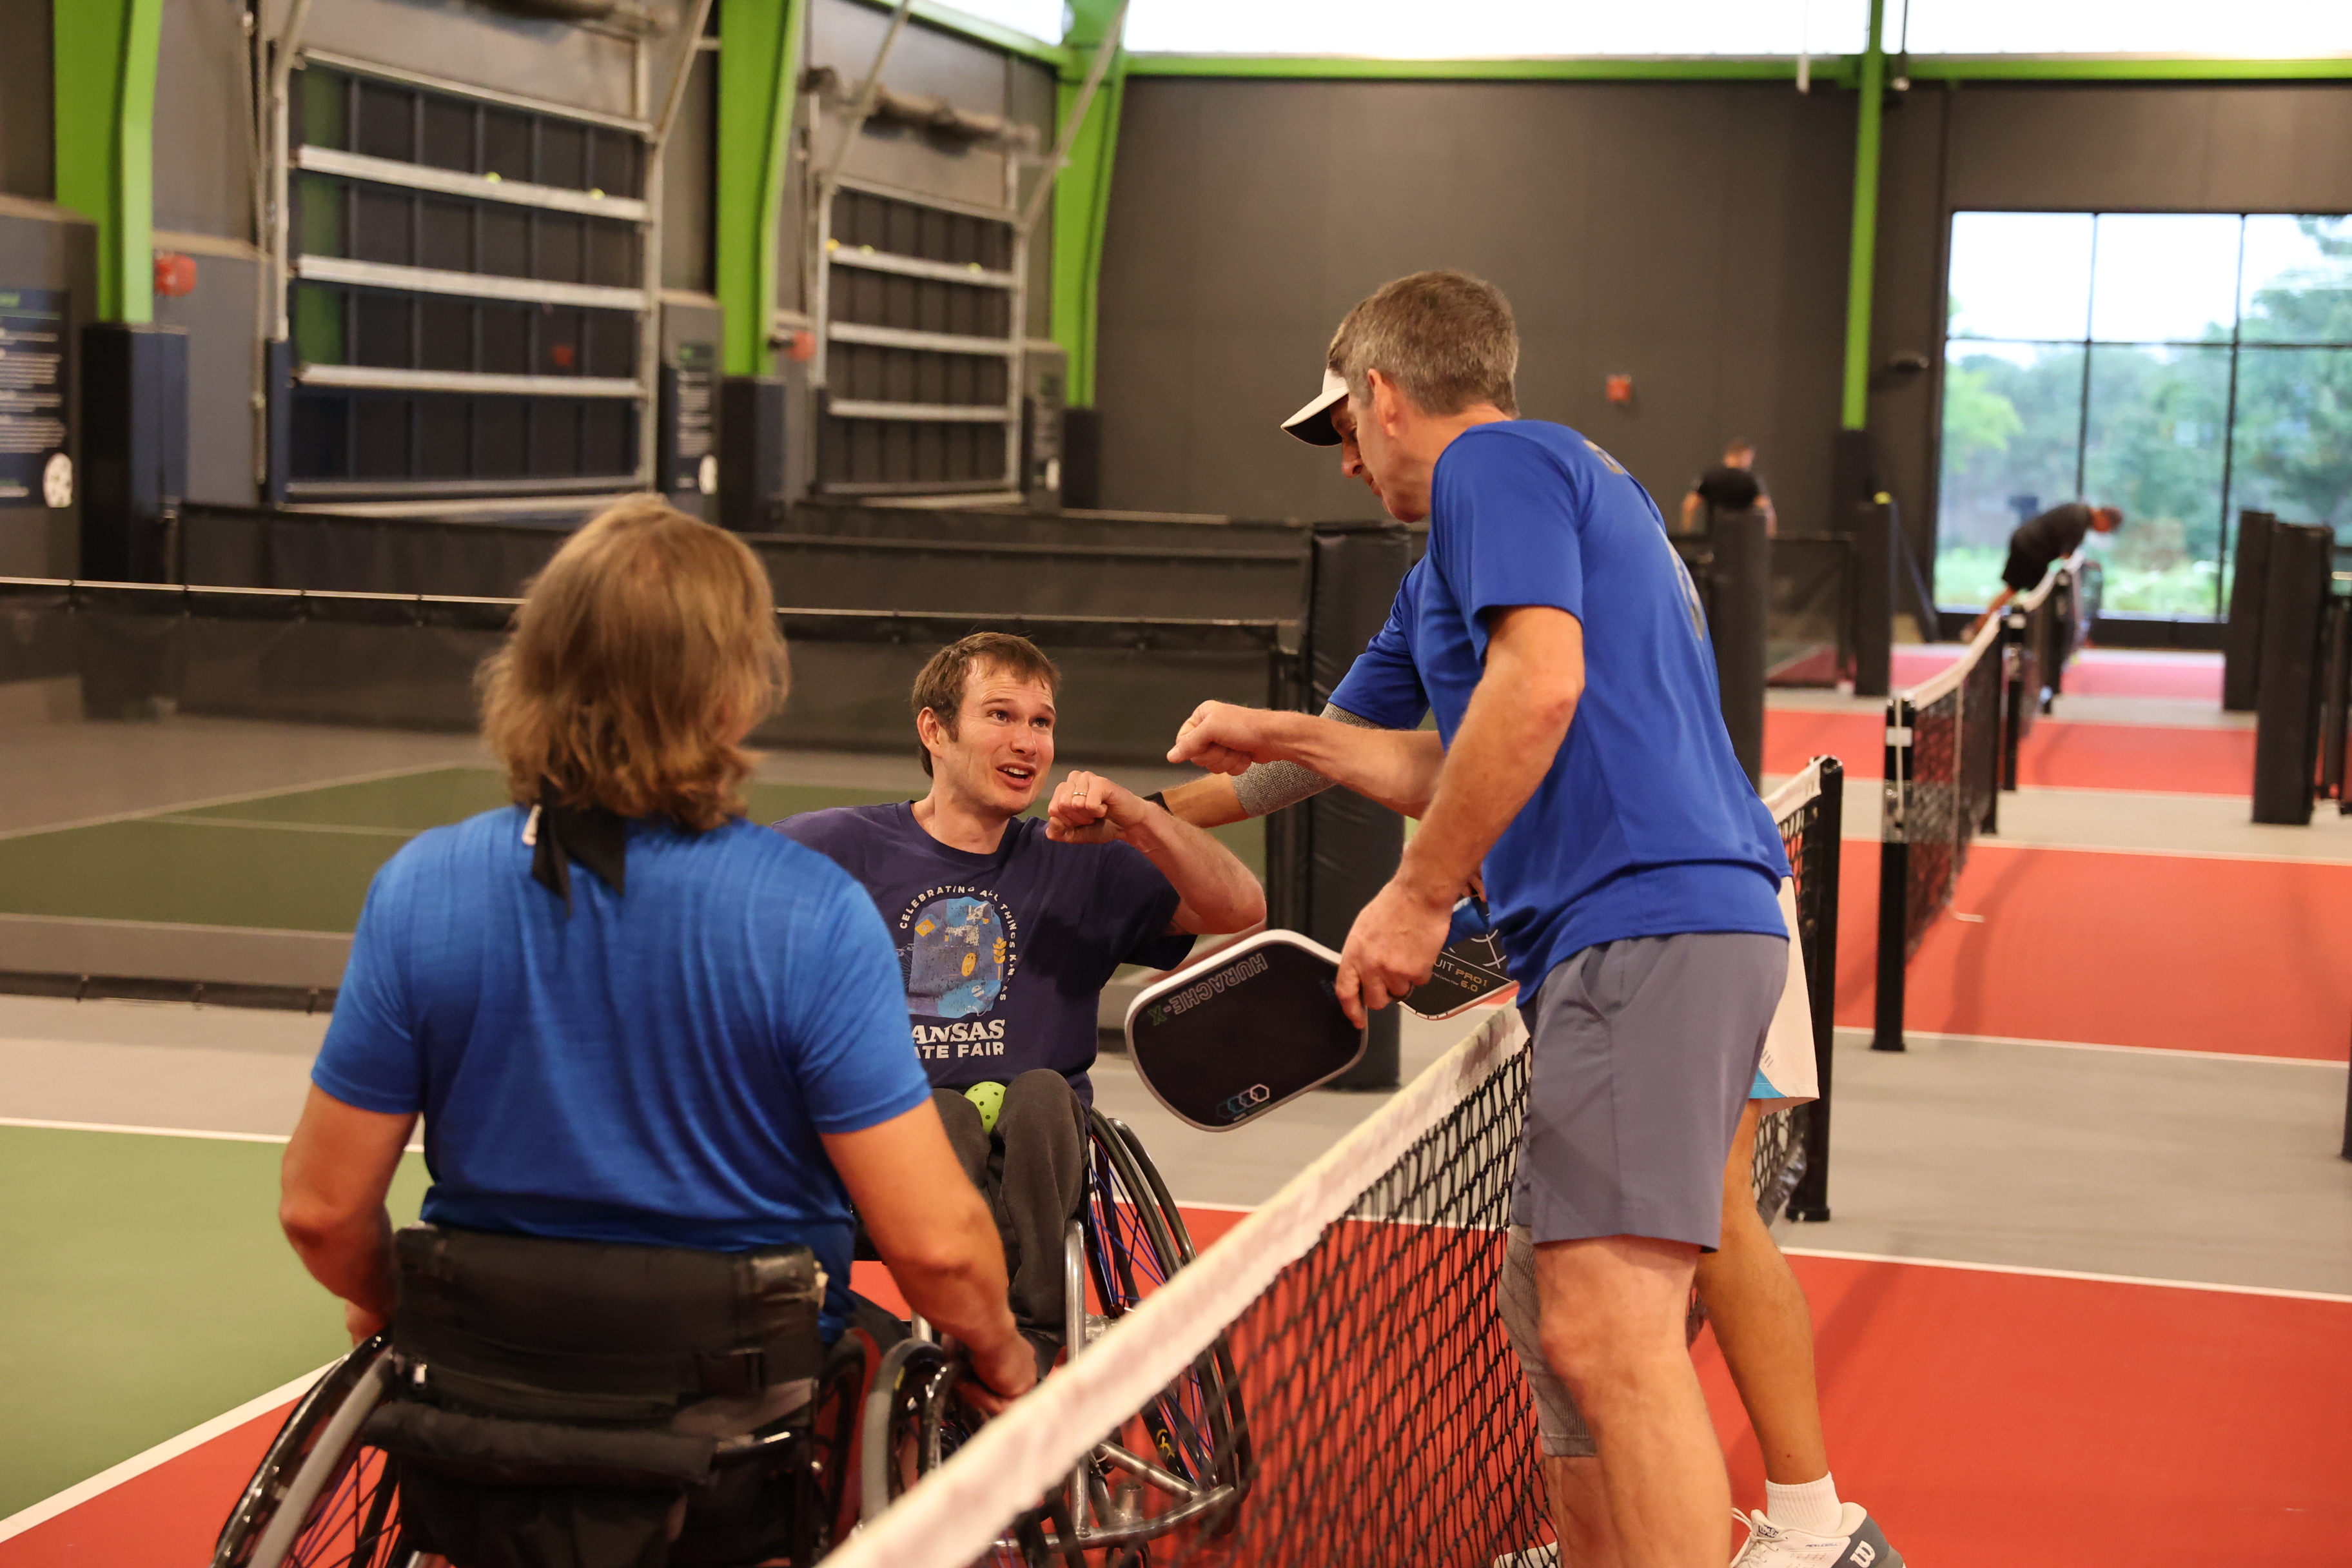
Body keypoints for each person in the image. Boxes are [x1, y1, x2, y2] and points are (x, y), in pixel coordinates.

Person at [1166, 369, 1904, 1568]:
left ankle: (1814, 1529)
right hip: (1659, 917)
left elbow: (1538, 692)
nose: (1343, 461)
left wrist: (1413, 891)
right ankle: (1715, 1537)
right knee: (1560, 1299)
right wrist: (1145, 817)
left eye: (1344, 429)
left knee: (1623, 1319)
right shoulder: (1457, 571)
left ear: (1387, 395)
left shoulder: (1493, 468)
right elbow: (1338, 761)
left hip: (1648, 913)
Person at [277, 499, 1036, 1560]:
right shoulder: (809, 911)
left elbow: (320, 1209)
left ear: (532, 668)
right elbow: (937, 1249)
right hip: (740, 1428)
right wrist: (1007, 1364)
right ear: (730, 692)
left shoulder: (420, 890)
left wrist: (399, 1307)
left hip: (476, 1401)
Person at [779, 632, 1264, 1369]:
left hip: (1036, 1164)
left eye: (1042, 722)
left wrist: (1140, 817)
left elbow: (1240, 907)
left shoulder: (1081, 862)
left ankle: (1033, 1337)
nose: (1028, 741)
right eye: (1001, 715)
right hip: (882, 1166)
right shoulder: (836, 847)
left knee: (1040, 1094)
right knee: (936, 1111)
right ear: (934, 730)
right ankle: (968, 1331)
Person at [1968, 500, 2122, 635]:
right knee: (2036, 598)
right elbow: (2067, 556)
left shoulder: (2078, 510)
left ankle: (1980, 625)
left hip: (2023, 541)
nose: (2104, 532)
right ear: (2104, 519)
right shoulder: (2080, 520)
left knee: (2012, 590)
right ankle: (2026, 637)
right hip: (2031, 550)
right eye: (2108, 528)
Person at [1680, 439, 1778, 538]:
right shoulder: (1751, 480)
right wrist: (1771, 539)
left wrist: (1687, 535)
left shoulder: (1709, 477)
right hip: (1743, 542)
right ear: (1745, 455)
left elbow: (1689, 506)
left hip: (1714, 539)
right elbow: (1767, 510)